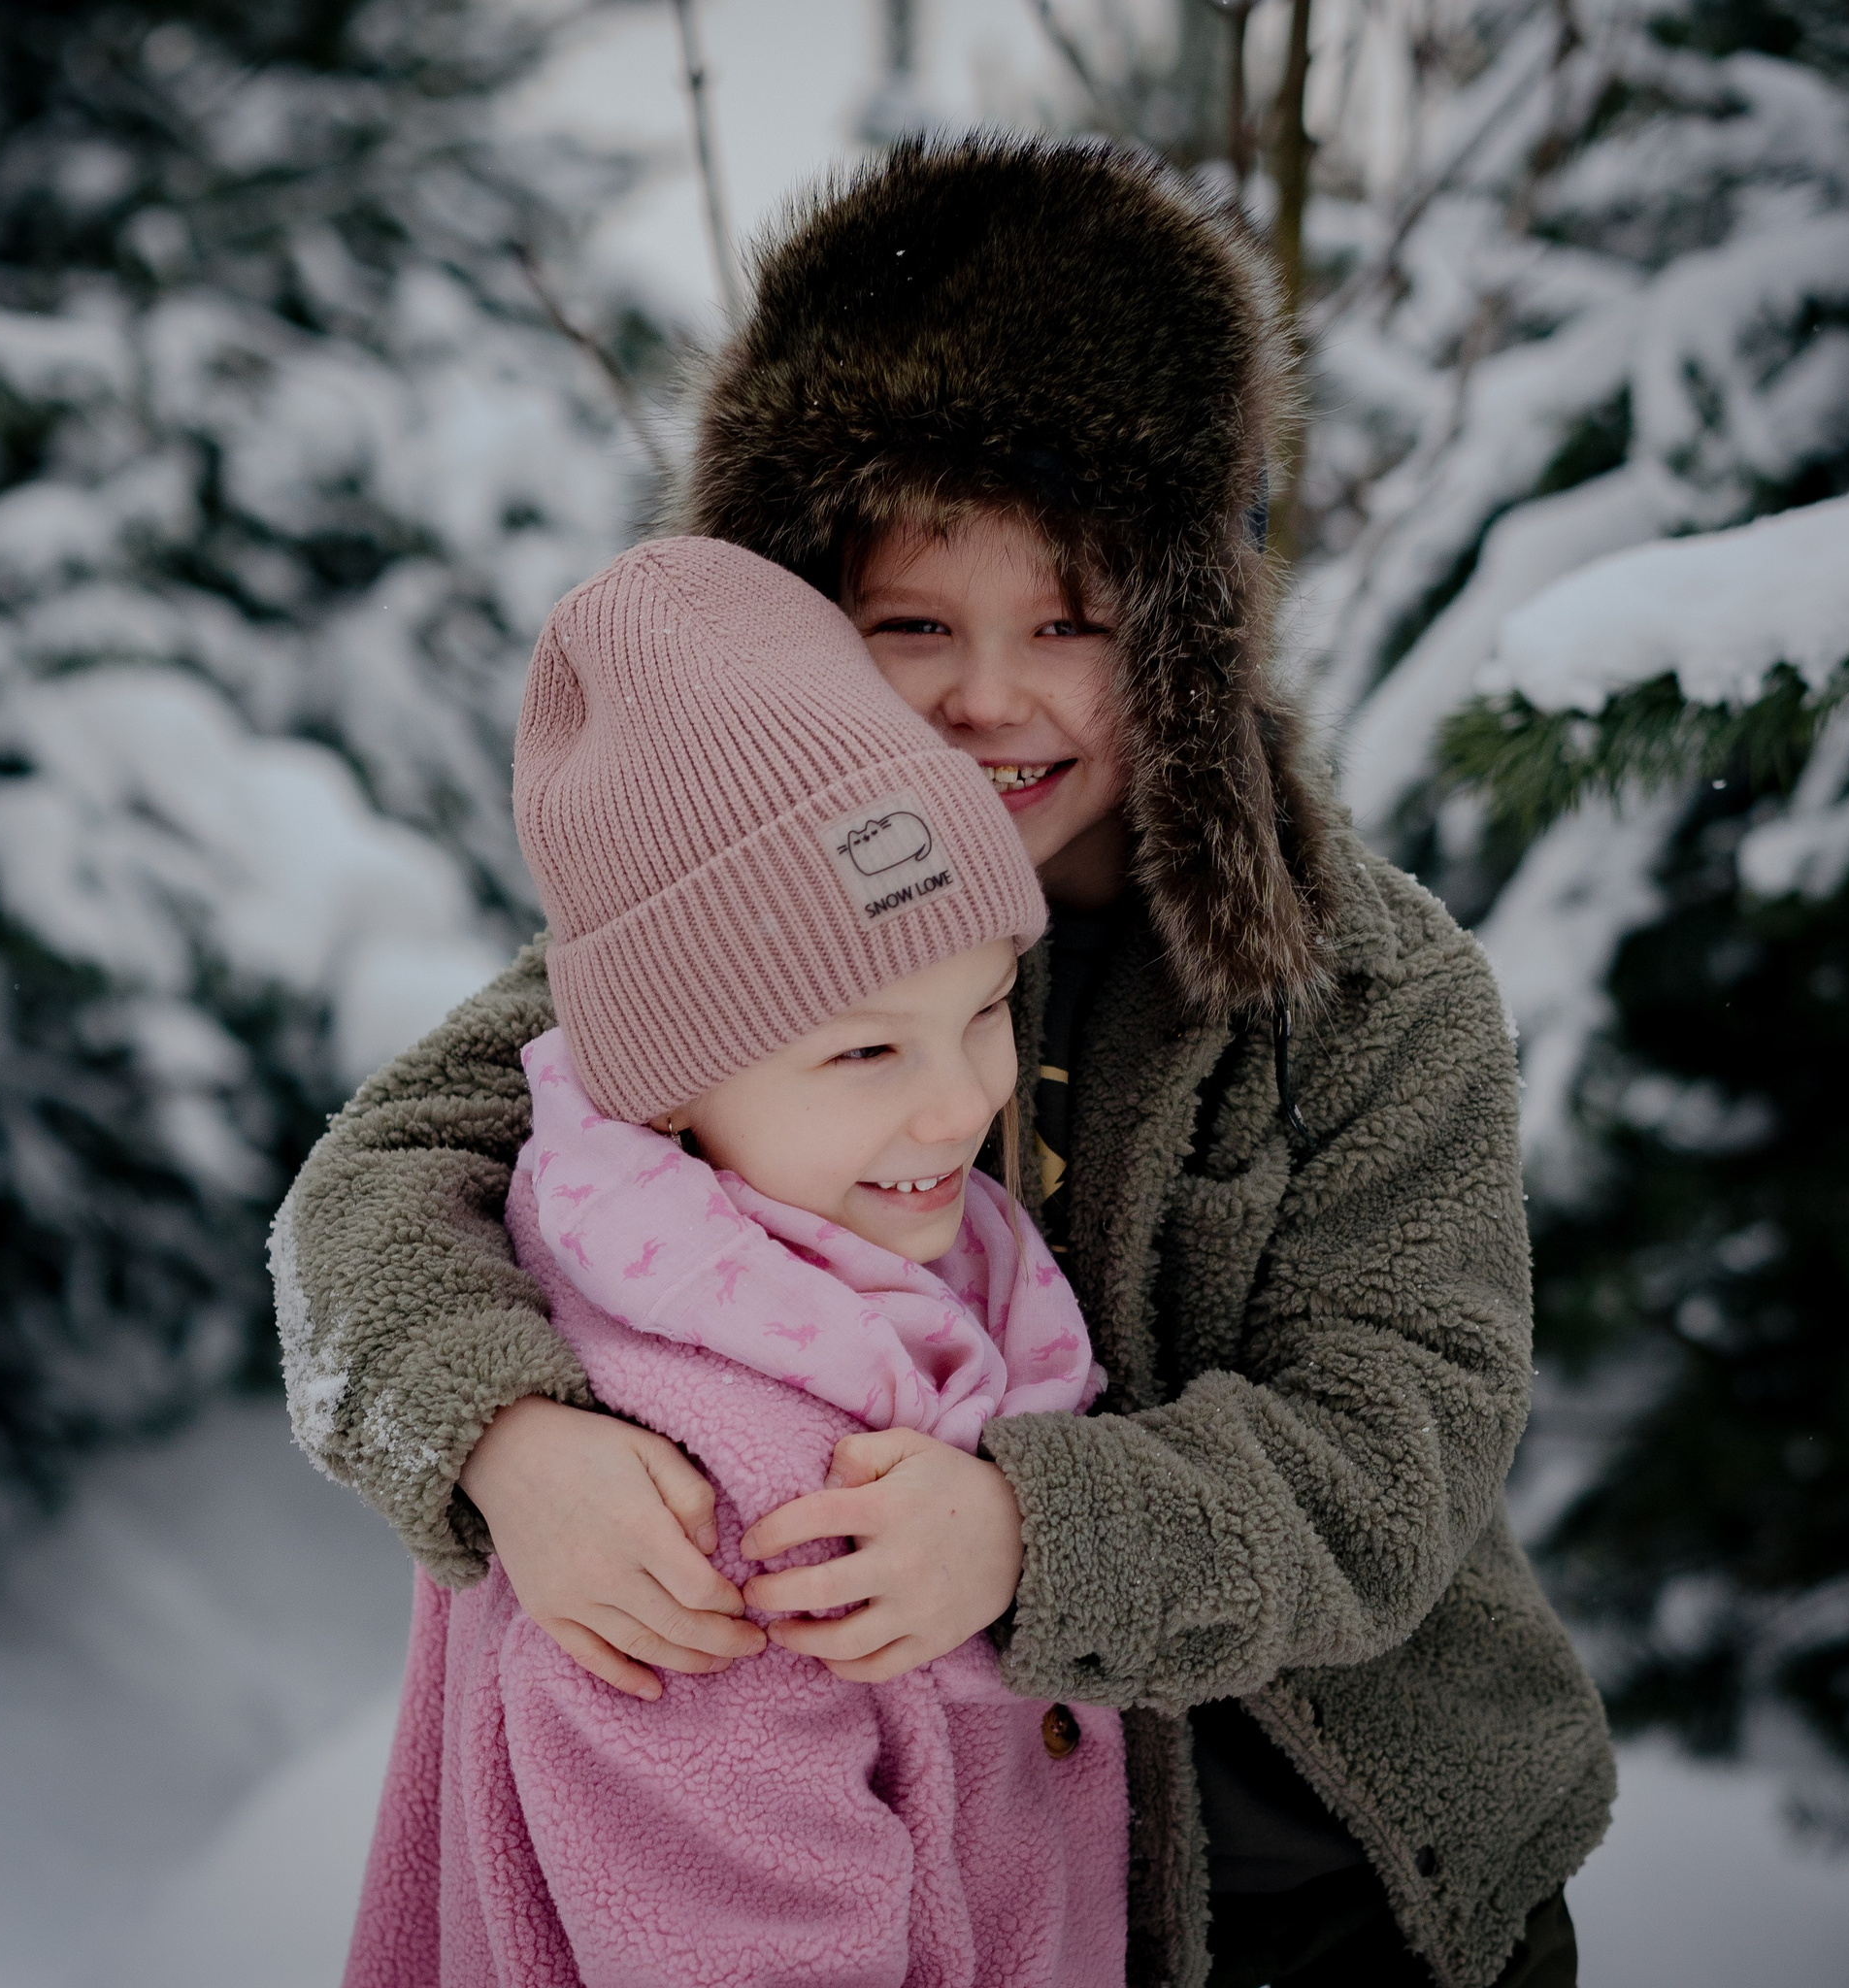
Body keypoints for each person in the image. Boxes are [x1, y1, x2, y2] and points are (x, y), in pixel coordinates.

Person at [278, 135, 1612, 1988]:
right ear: (803, 619)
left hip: (1353, 1873)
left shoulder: (1365, 994)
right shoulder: (726, 953)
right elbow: (367, 1193)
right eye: (915, 625)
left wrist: (1030, 1532)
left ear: (1184, 633)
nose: (994, 695)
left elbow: (1399, 1448)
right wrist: (505, 1439)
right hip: (973, 1893)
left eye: (1070, 622)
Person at [342, 535, 1128, 1987]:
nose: (964, 1102)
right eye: (867, 1050)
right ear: (669, 1087)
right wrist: (495, 1431)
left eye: (986, 1012)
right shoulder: (718, 1510)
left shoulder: (880, 1292)